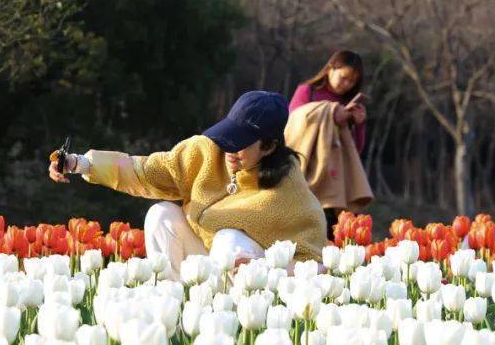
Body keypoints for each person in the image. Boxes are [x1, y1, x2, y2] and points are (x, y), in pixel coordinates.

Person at [48, 91, 327, 275]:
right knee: (161, 214)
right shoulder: (206, 151)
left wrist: (263, 268)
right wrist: (79, 163)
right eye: (227, 136)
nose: (229, 149)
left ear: (268, 147)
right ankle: (175, 313)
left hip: (248, 277)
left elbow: (313, 263)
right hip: (204, 260)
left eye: (240, 144)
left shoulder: (288, 187)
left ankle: (228, 328)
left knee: (228, 240)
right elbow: (146, 171)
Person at [288, 50, 371, 237]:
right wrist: (330, 113)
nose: (347, 85)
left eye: (352, 82)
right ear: (330, 69)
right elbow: (293, 125)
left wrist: (359, 124)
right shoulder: (307, 92)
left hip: (337, 181)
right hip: (308, 172)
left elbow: (355, 150)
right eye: (344, 78)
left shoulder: (348, 102)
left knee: (333, 235)